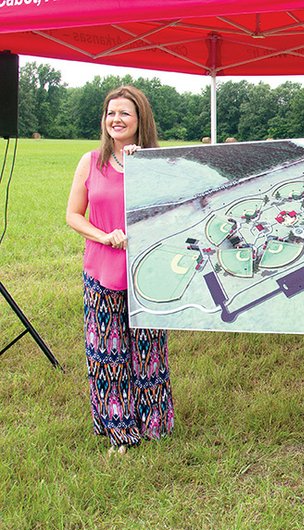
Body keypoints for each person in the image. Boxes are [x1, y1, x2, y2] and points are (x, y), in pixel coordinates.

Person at [66, 86, 175, 455]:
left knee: (148, 352)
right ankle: (119, 430)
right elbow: (72, 216)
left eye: (125, 113)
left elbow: (167, 213)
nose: (116, 119)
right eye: (111, 112)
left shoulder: (153, 163)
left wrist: (142, 166)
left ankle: (154, 423)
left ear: (140, 119)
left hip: (145, 275)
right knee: (108, 355)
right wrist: (105, 236)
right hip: (101, 270)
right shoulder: (90, 161)